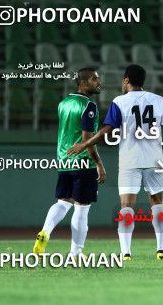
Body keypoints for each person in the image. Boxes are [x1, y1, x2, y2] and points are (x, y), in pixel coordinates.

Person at [67, 64, 163, 261]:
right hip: (155, 159)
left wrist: (85, 144)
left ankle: (126, 253)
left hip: (130, 160)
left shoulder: (120, 101)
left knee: (126, 206)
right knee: (157, 202)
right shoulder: (158, 100)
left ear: (126, 80)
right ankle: (162, 250)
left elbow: (106, 131)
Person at [33, 68, 106, 257]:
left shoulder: (64, 103)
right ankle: (76, 253)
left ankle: (45, 232)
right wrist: (99, 164)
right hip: (83, 162)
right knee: (82, 208)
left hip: (64, 161)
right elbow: (86, 140)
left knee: (63, 201)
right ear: (82, 82)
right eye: (94, 79)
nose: (99, 82)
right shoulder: (88, 106)